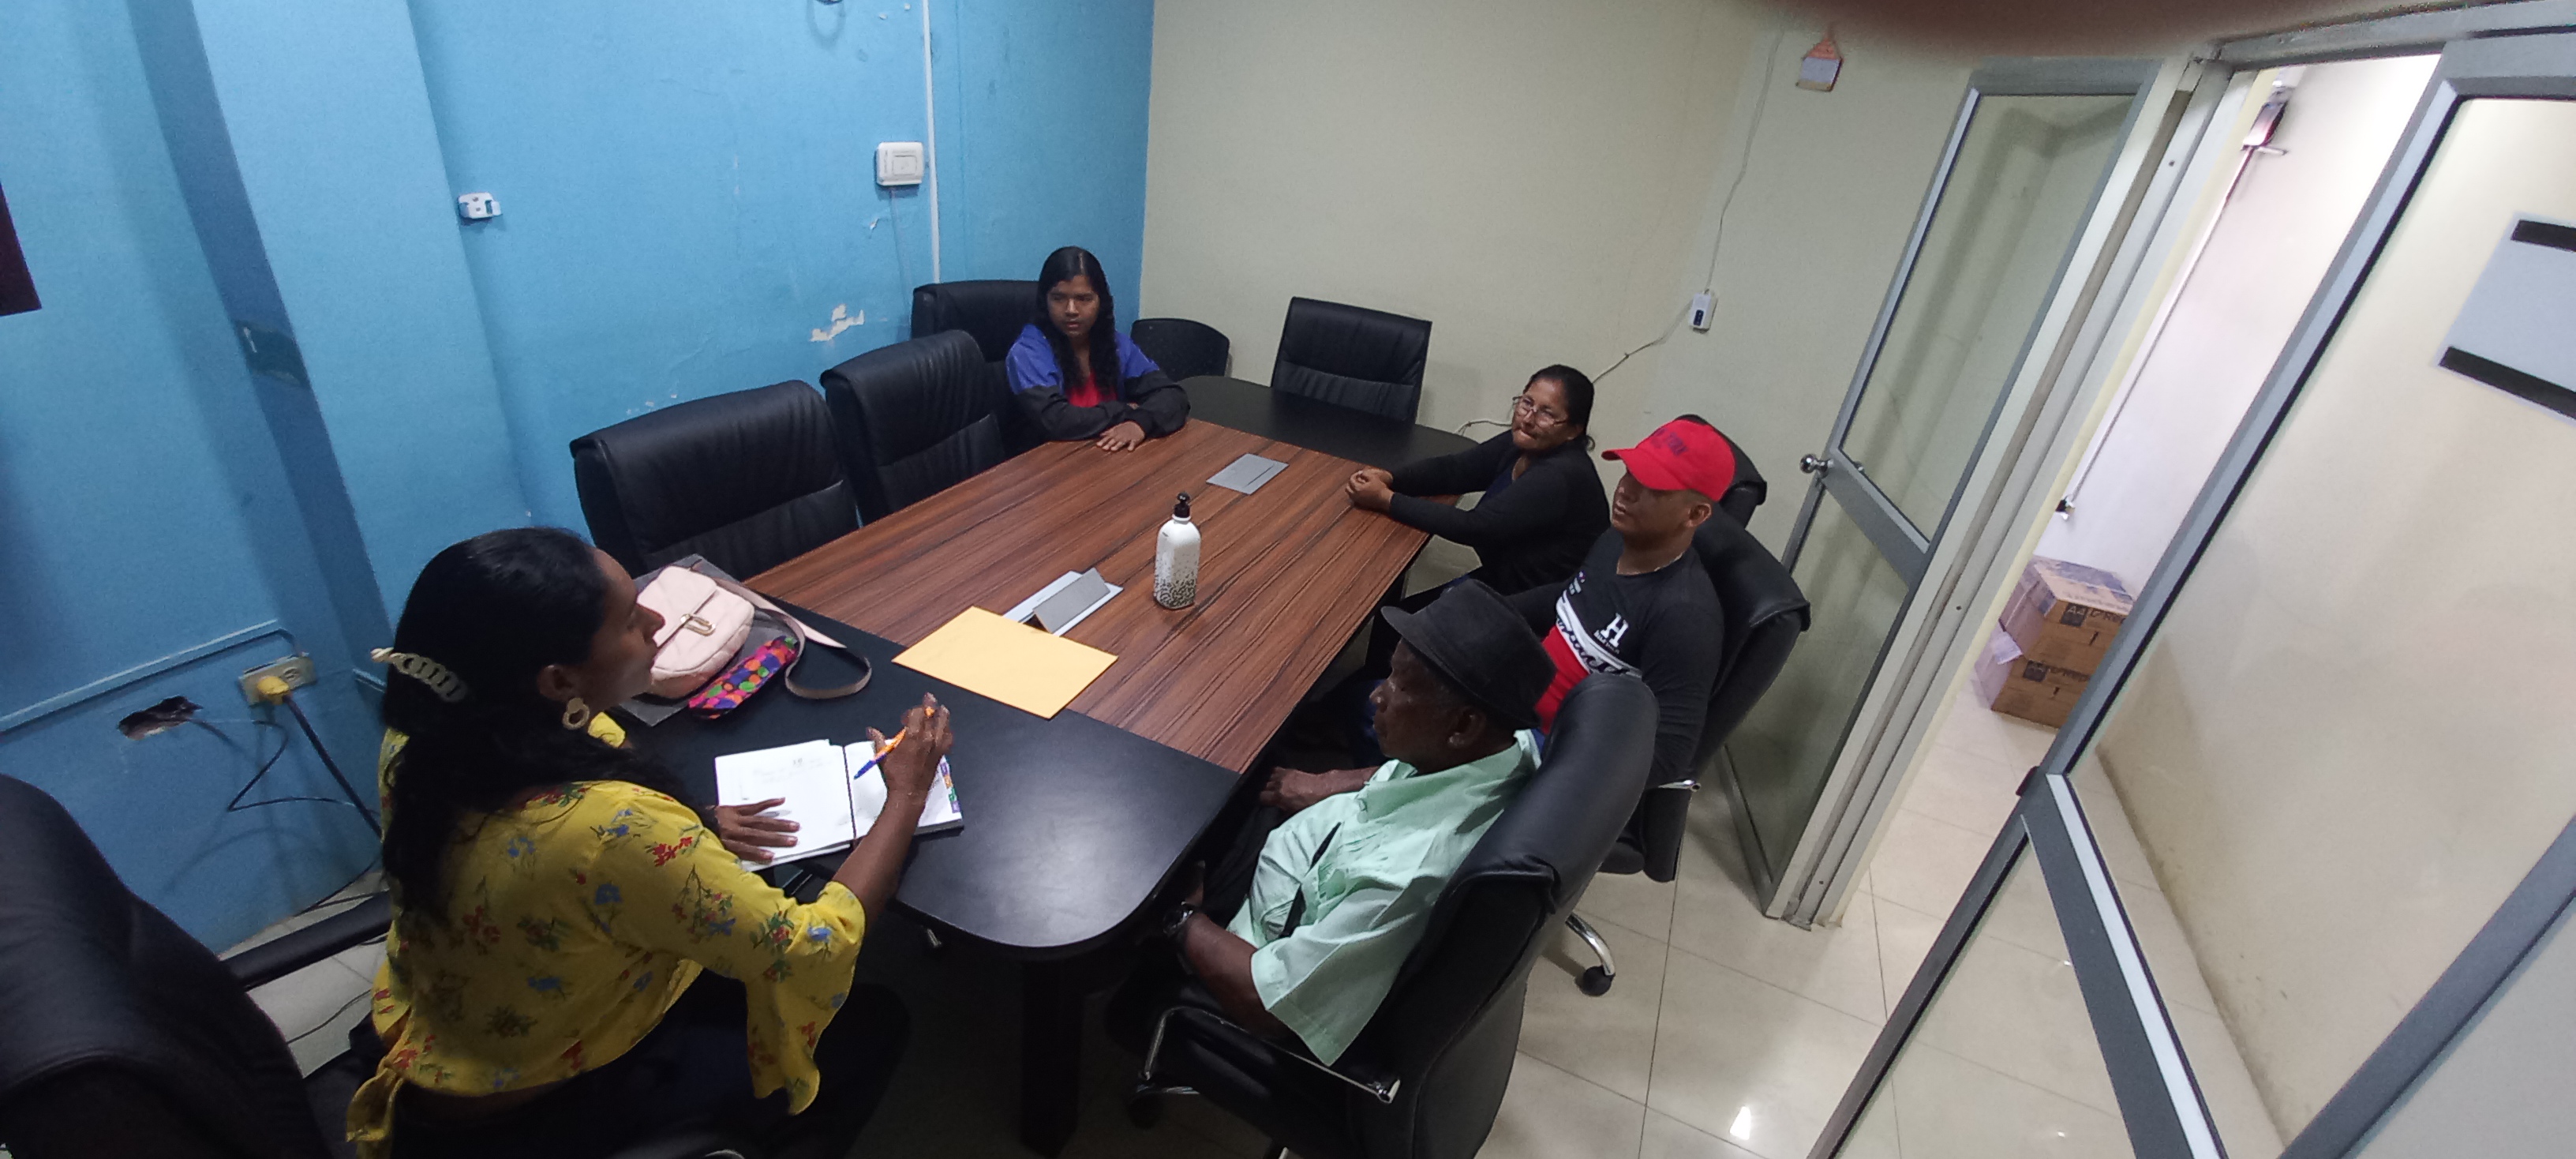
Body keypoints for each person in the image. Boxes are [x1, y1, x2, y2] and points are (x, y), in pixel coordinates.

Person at [349, 527, 953, 1159]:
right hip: (539, 1107)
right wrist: (908, 793)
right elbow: (811, 947)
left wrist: (697, 823)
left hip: (448, 1027)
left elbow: (570, 824)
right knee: (876, 1023)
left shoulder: (428, 738)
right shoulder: (612, 829)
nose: (658, 620)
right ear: (558, 681)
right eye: (630, 621)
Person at [1134, 580, 1554, 1064]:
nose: (1378, 696)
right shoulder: (1504, 749)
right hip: (1315, 846)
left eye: (1400, 685)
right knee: (1233, 760)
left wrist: (1182, 917)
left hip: (1257, 929)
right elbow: (1412, 772)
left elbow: (1269, 1004)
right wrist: (1334, 781)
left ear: (1462, 726)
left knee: (1146, 847)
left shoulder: (1404, 877)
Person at [1509, 416, 1733, 854]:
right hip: (1517, 703)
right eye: (1630, 472)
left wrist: (1562, 772)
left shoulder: (1684, 617)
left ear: (1695, 514)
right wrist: (1484, 611)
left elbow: (1670, 752)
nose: (1626, 490)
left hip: (1550, 751)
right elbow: (1570, 598)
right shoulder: (1616, 540)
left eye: (1653, 487)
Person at [1344, 365, 1610, 597]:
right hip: (1505, 580)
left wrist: (1386, 499)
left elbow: (1476, 527)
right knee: (1395, 620)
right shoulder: (1524, 444)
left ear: (1574, 430)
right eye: (1526, 403)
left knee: (1398, 626)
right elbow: (1456, 470)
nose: (1528, 418)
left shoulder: (1560, 475)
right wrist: (1391, 477)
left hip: (1538, 603)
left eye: (1547, 414)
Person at [1003, 246, 1189, 450]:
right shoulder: (1028, 352)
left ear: (1101, 301)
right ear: (1044, 301)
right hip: (1051, 460)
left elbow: (1172, 395)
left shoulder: (1116, 344)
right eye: (1058, 298)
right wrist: (1125, 411)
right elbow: (1057, 421)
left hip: (1105, 452)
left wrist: (1140, 423)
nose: (1071, 310)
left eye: (1084, 299)